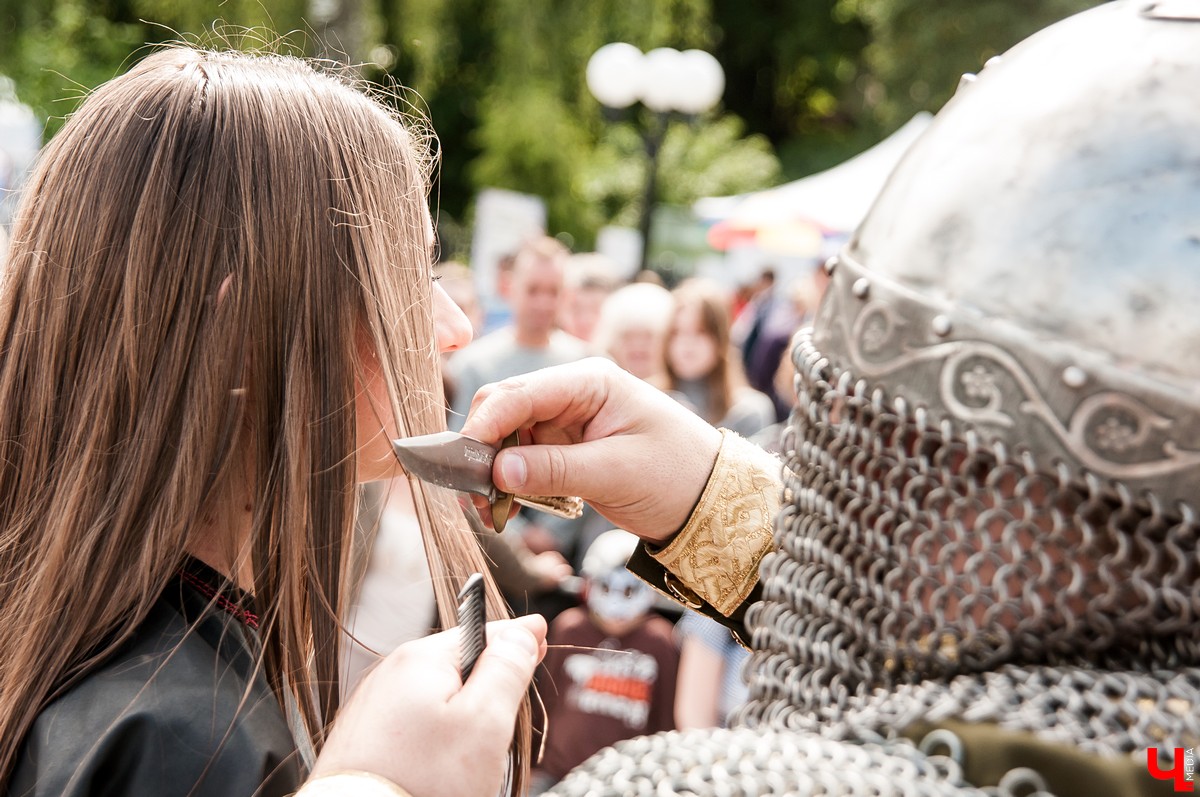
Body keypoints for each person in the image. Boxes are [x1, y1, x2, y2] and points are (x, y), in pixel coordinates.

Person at [443, 3, 1196, 793]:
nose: (869, 492)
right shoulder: (1163, 760)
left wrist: (366, 777)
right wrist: (710, 498)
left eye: (910, 454)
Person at [0, 47, 546, 797]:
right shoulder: (178, 736)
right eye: (406, 276)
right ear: (246, 338)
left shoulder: (110, 658)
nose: (452, 329)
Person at [531, 530, 678, 794]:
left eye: (631, 591)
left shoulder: (660, 642)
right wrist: (533, 763)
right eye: (607, 587)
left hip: (624, 782)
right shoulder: (570, 628)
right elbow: (544, 700)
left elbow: (665, 719)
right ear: (589, 585)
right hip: (557, 773)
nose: (617, 604)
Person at [446, 235, 587, 431]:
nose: (543, 303)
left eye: (553, 291)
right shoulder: (472, 365)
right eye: (533, 290)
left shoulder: (585, 364)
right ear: (510, 286)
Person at [665, 279, 775, 439]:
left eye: (700, 331)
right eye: (677, 332)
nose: (687, 343)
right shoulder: (645, 396)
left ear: (720, 338)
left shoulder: (748, 412)